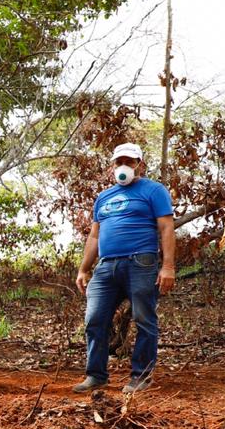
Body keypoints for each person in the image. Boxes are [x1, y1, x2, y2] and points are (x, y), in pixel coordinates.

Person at [73, 142, 175, 394]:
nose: (123, 166)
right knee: (95, 319)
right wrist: (84, 269)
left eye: (129, 162)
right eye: (119, 162)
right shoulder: (103, 197)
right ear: (112, 166)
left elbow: (166, 228)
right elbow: (94, 236)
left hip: (141, 262)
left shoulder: (153, 190)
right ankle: (96, 375)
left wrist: (168, 266)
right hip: (106, 267)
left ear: (138, 164)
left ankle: (141, 376)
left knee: (144, 319)